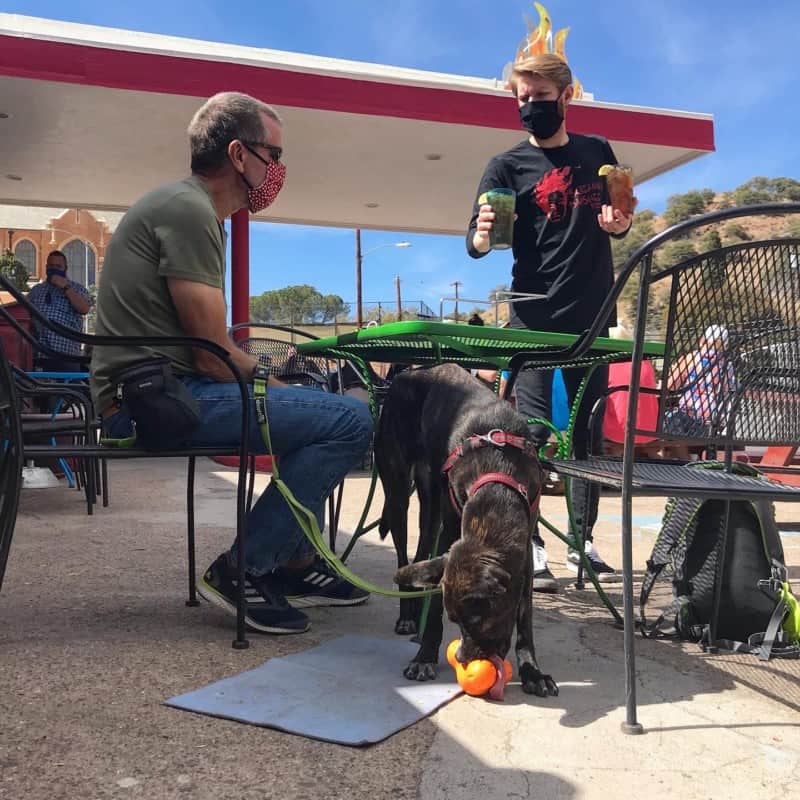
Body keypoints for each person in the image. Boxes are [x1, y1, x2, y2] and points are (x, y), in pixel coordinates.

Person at [91, 92, 373, 635]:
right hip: (150, 405)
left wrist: (284, 386)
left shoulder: (188, 209)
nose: (280, 170)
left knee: (324, 413)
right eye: (275, 154)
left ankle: (292, 562)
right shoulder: (189, 210)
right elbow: (212, 355)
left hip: (160, 391)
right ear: (240, 154)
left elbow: (207, 351)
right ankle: (245, 568)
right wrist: (275, 379)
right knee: (351, 419)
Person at [466, 54, 635, 592]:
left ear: (565, 98)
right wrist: (482, 232)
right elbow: (476, 241)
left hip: (590, 313)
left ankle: (583, 545)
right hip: (532, 316)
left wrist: (620, 221)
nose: (528, 107)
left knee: (587, 433)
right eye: (521, 98)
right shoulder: (505, 165)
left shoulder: (597, 153)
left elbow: (619, 219)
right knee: (531, 436)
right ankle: (532, 546)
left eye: (539, 98)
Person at [665, 324, 736, 443]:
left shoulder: (691, 359)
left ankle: (673, 457)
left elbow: (671, 386)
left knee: (666, 421)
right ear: (724, 346)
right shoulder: (727, 367)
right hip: (713, 424)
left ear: (703, 340)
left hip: (687, 418)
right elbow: (728, 392)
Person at [27, 249, 92, 372]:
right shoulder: (36, 290)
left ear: (65, 269)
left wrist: (65, 287)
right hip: (41, 355)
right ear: (46, 267)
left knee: (68, 390)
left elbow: (84, 309)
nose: (54, 269)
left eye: (58, 266)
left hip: (67, 356)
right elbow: (24, 314)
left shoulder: (77, 289)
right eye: (51, 266)